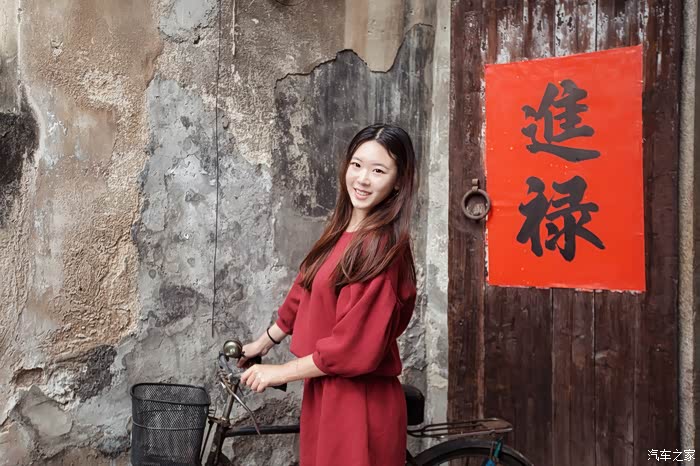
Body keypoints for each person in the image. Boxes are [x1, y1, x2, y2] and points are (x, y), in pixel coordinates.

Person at [237, 123, 418, 466]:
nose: (362, 179)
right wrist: (265, 342)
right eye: (357, 165)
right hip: (325, 391)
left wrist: (280, 372)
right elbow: (306, 287)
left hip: (358, 403)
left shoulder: (381, 249)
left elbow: (352, 346)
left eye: (378, 171)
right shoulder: (342, 229)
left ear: (398, 181)